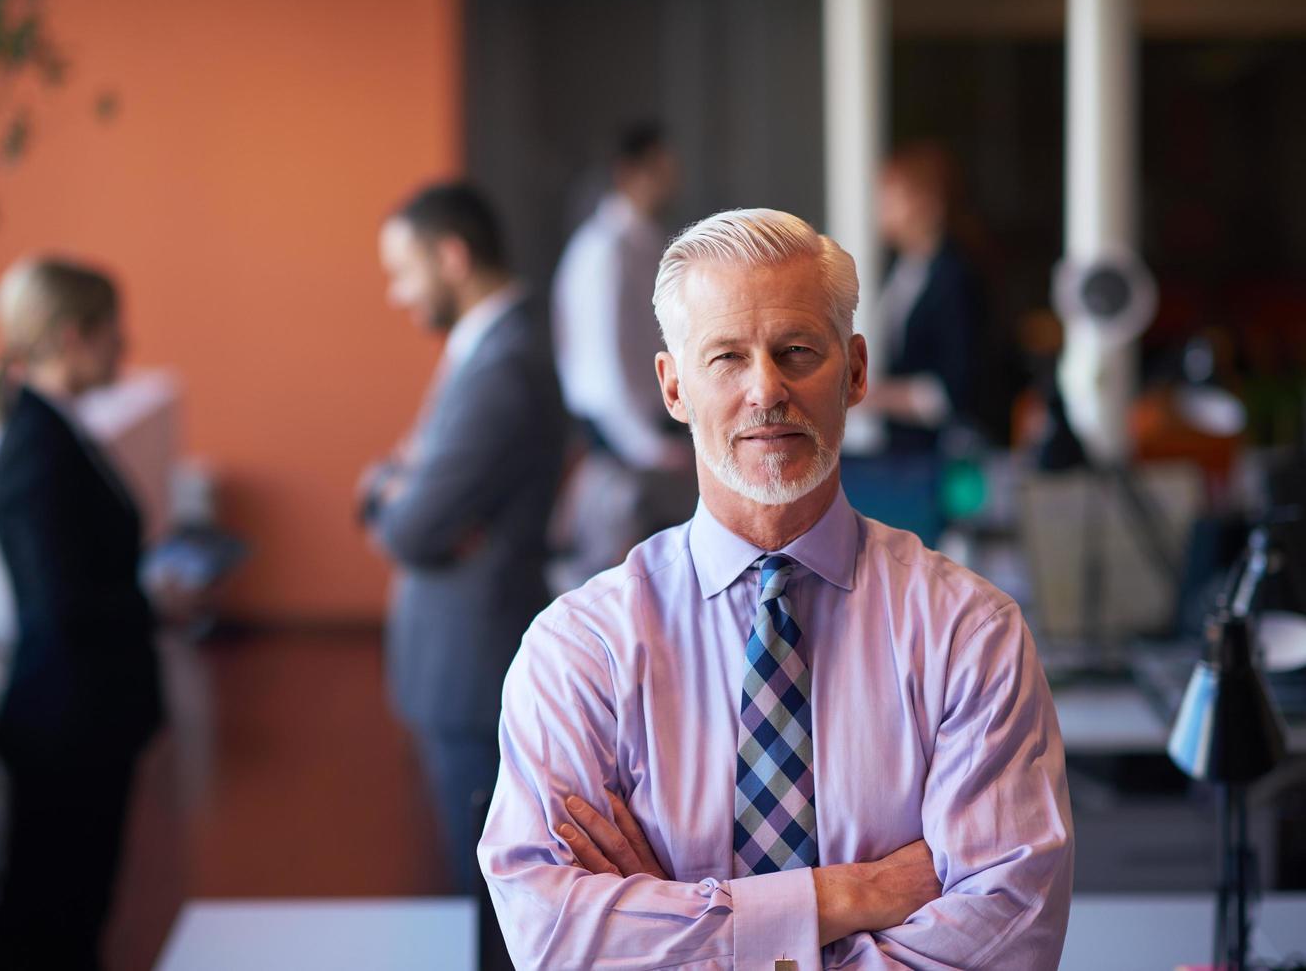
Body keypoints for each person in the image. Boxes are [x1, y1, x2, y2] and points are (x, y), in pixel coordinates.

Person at [480, 209, 1073, 968]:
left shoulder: (967, 632)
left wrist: (679, 922)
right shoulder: (580, 649)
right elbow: (556, 941)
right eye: (725, 357)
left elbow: (1005, 943)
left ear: (856, 372)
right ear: (673, 388)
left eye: (796, 351)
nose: (766, 389)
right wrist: (844, 897)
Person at [363, 182, 567, 894]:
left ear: (451, 256)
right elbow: (407, 483)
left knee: (481, 894)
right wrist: (396, 484)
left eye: (402, 270)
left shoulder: (501, 366)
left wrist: (390, 493)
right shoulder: (489, 348)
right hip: (462, 649)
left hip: (473, 664)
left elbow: (414, 526)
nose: (395, 293)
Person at [0, 258, 163, 970]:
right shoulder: (38, 448)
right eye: (112, 329)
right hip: (67, 725)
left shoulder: (52, 432)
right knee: (50, 923)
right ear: (71, 336)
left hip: (81, 720)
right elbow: (62, 609)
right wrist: (154, 602)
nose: (126, 343)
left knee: (70, 914)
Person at [551, 122, 695, 587]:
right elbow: (602, 365)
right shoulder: (603, 252)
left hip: (651, 432)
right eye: (661, 170)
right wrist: (649, 447)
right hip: (619, 443)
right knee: (620, 588)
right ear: (629, 173)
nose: (672, 181)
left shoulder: (648, 242)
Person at [866, 142, 989, 453]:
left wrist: (872, 396)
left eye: (891, 197)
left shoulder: (954, 277)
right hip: (901, 445)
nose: (881, 208)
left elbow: (956, 388)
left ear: (927, 202)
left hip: (942, 454)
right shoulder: (901, 269)